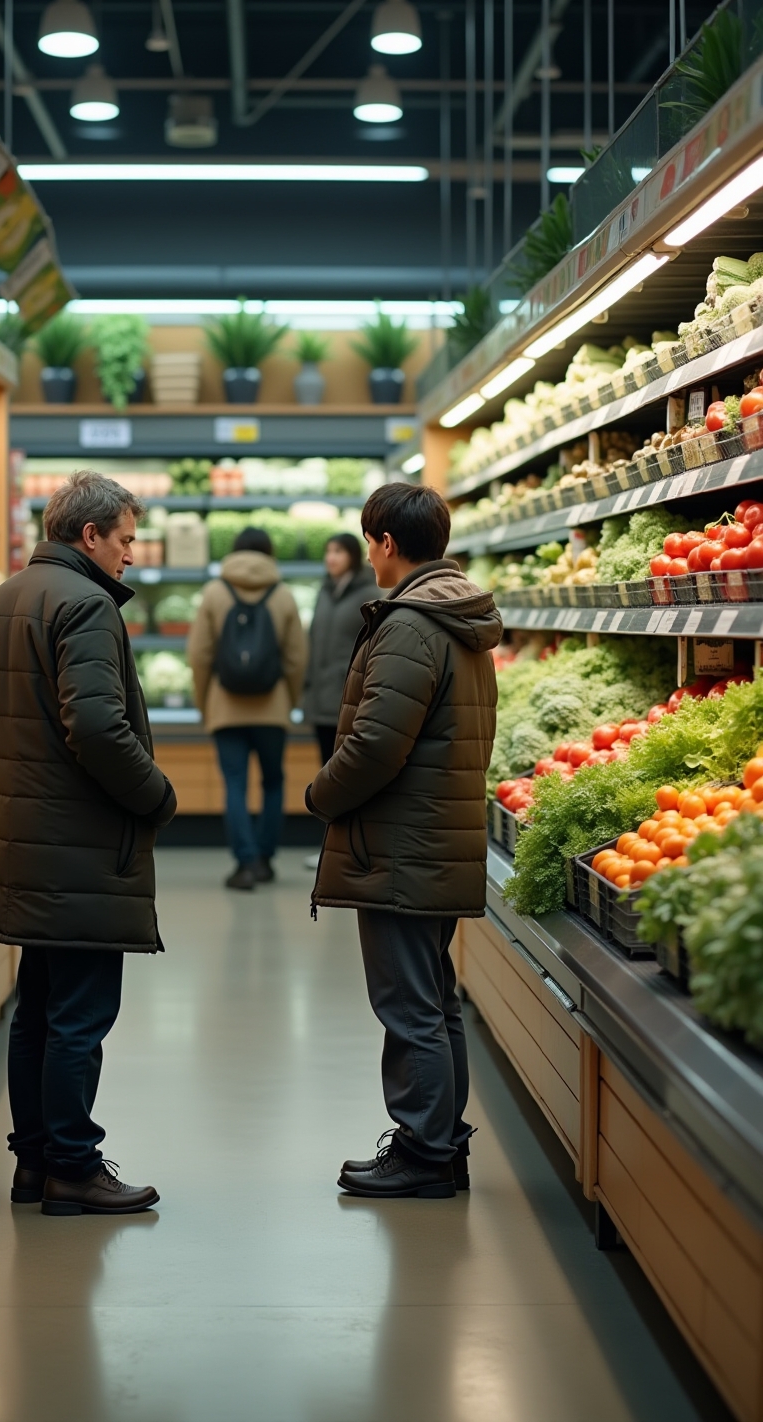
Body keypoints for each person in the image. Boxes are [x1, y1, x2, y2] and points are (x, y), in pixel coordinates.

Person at [0, 471, 176, 1217]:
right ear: (90, 536)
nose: (131, 557)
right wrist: (156, 798)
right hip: (83, 852)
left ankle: (35, 1164)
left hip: (26, 845)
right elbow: (100, 731)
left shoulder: (0, 601)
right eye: (125, 541)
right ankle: (74, 1170)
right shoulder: (85, 607)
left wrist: (15, 788)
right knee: (79, 1016)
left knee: (39, 1010)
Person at [306, 482, 500, 1200]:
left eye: (369, 538)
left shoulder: (410, 625)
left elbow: (375, 746)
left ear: (387, 543)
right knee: (434, 999)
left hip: (400, 844)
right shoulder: (458, 618)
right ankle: (440, 1146)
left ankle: (423, 1152)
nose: (367, 552)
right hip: (436, 836)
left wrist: (320, 796)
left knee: (410, 1005)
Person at [187, 525, 307, 891]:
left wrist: (205, 703)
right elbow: (297, 658)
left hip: (226, 708)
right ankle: (267, 859)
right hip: (272, 710)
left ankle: (245, 862)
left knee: (235, 784)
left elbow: (199, 655)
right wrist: (288, 700)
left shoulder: (214, 592)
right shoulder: (283, 594)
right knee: (273, 782)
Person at [303, 532, 377, 765]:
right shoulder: (324, 592)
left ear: (353, 556)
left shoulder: (368, 594)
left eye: (338, 552)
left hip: (350, 700)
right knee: (326, 766)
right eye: (328, 552)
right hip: (320, 698)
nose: (331, 558)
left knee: (347, 769)